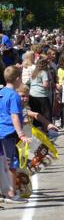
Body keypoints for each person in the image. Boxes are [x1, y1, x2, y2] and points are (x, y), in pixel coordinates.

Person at [0, 66, 28, 203]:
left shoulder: (1, 92)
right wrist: (21, 134)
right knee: (11, 164)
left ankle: (3, 192)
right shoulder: (14, 96)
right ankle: (11, 193)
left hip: (1, 131)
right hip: (9, 133)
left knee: (2, 163)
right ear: (17, 79)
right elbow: (14, 116)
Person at [28, 58, 52, 130]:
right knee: (46, 112)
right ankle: (48, 128)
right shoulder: (43, 72)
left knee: (36, 112)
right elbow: (45, 85)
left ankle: (38, 128)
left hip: (32, 94)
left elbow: (29, 83)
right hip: (41, 94)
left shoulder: (33, 73)